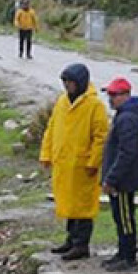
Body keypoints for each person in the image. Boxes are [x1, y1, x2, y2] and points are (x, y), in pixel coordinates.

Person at [40, 63, 110, 260]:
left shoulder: (94, 106)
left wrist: (93, 162)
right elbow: (51, 129)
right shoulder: (62, 102)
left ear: (79, 83)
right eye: (64, 82)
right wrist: (46, 154)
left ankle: (81, 245)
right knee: (69, 204)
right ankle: (70, 240)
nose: (66, 86)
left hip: (82, 166)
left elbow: (100, 137)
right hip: (63, 163)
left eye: (69, 82)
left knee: (83, 207)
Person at [99, 77, 138, 271]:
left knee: (125, 218)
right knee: (120, 217)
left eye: (114, 95)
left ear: (126, 95)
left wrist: (112, 178)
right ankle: (122, 252)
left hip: (123, 180)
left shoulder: (127, 118)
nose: (110, 99)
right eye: (109, 95)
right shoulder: (125, 115)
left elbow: (126, 152)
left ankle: (128, 257)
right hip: (123, 178)